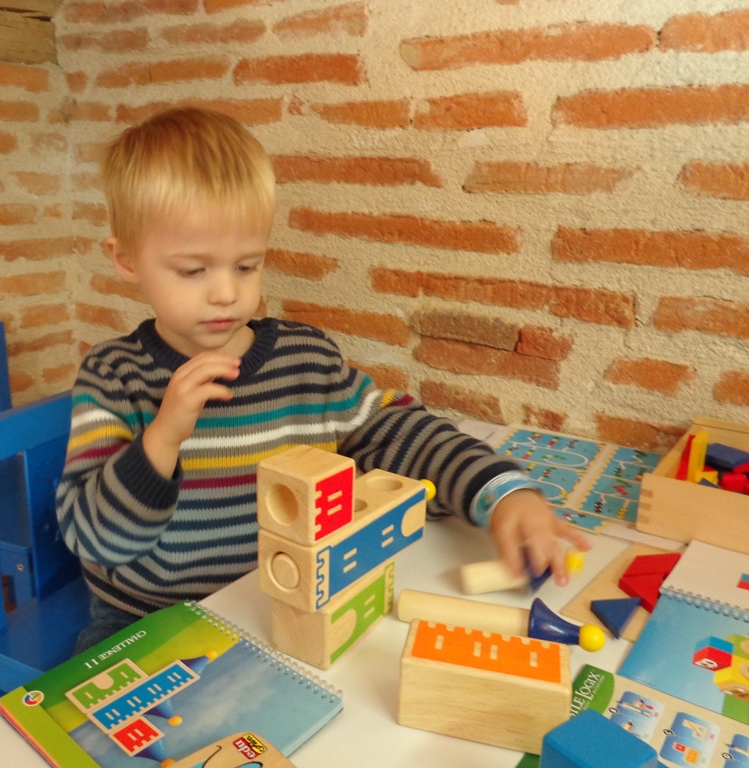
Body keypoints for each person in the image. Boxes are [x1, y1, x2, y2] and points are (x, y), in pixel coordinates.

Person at [56, 107, 590, 651]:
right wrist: (162, 439)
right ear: (127, 260)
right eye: (193, 270)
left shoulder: (305, 360)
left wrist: (503, 493)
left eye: (247, 265)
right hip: (149, 621)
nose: (226, 293)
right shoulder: (113, 376)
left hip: (289, 609)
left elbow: (402, 432)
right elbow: (92, 538)